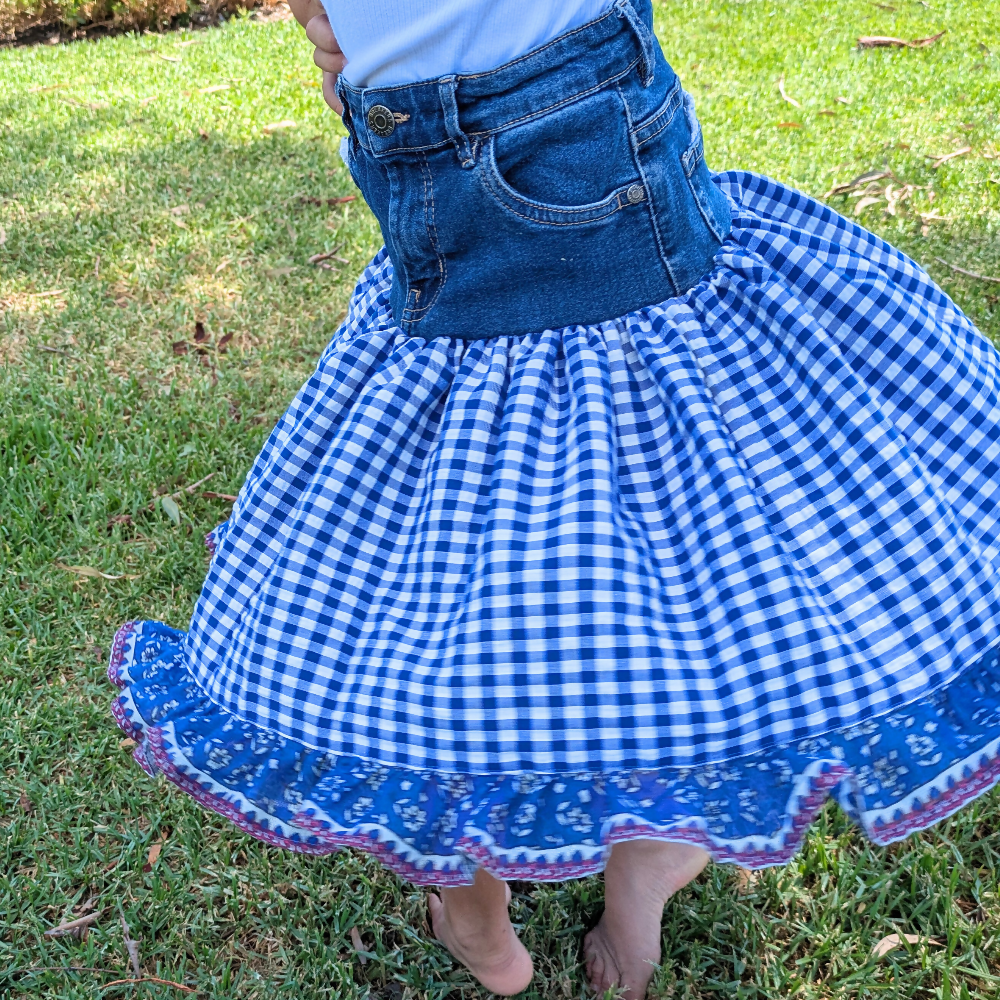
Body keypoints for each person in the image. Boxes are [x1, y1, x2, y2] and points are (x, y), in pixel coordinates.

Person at [107, 2, 1000, 996]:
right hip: (477, 196)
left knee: (545, 605)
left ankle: (563, 884)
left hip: (557, 196)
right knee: (556, 616)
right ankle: (557, 878)